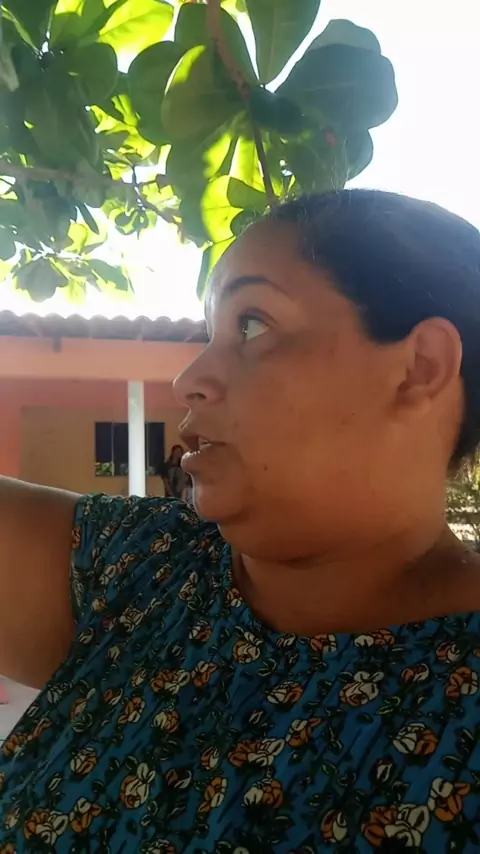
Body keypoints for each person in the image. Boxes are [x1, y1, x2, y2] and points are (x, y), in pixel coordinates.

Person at [1, 190, 480, 852]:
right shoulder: (135, 567)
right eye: (210, 335)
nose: (188, 379)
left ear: (418, 369)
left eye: (252, 325)